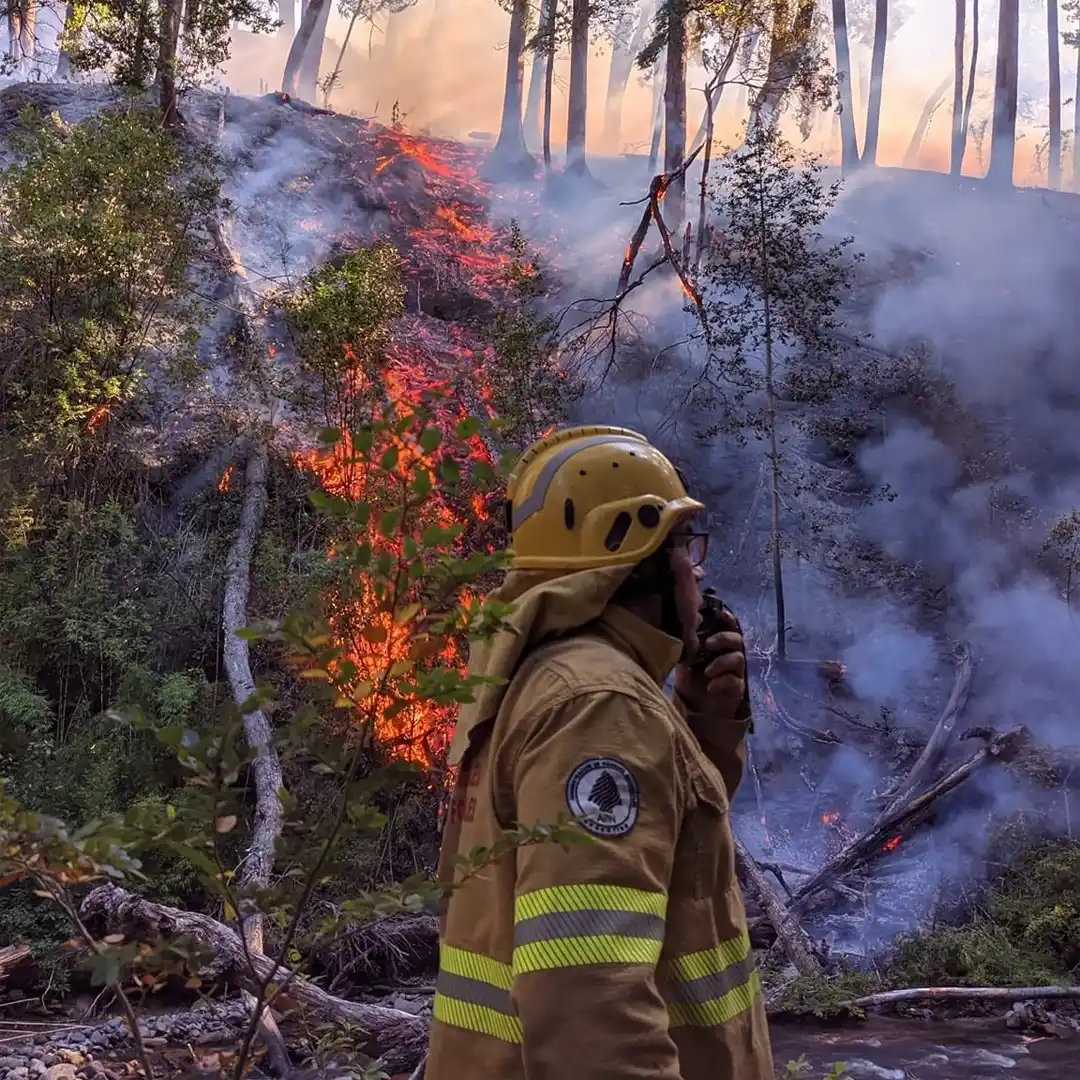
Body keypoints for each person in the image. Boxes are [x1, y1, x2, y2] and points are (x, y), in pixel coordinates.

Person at [423, 425, 774, 1080]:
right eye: (682, 547)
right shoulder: (600, 706)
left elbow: (671, 862)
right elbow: (589, 995)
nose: (695, 569)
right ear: (639, 558)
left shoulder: (561, 680)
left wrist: (706, 723)